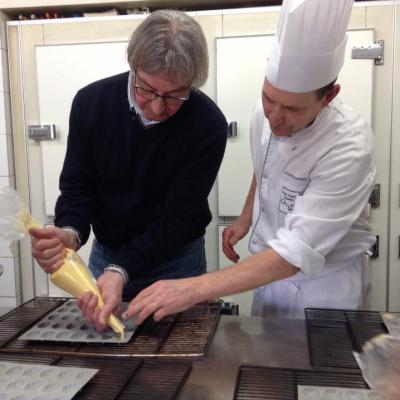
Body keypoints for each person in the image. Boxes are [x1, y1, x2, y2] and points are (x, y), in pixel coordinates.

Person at [122, 0, 377, 326]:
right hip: (268, 274)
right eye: (269, 98)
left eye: (293, 109)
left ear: (328, 97)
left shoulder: (349, 146)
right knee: (269, 367)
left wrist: (194, 288)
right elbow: (268, 165)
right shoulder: (265, 113)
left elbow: (297, 251)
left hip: (326, 286)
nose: (275, 117)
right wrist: (246, 217)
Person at [29, 9, 227, 330]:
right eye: (147, 89)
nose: (158, 107)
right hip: (108, 254)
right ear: (132, 64)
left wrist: (122, 269)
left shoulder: (207, 124)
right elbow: (79, 189)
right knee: (106, 351)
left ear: (193, 82)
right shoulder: (91, 104)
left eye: (176, 94)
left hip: (175, 263)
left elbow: (178, 219)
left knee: (176, 361)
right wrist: (68, 233)